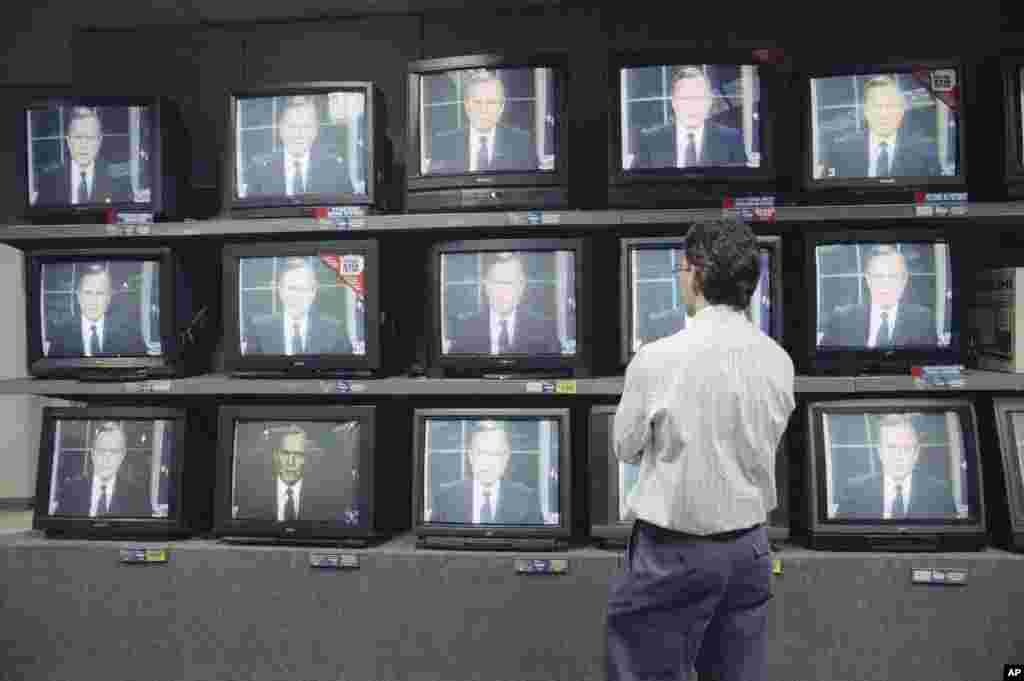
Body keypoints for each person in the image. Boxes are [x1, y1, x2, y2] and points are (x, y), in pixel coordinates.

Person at [607, 218, 795, 681]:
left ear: (693, 273)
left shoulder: (657, 359)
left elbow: (625, 447)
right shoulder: (778, 361)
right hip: (750, 552)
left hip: (674, 554)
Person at [835, 414, 957, 518]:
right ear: (880, 452)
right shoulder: (854, 492)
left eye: (907, 448)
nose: (899, 456)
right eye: (892, 447)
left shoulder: (941, 493)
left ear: (916, 453)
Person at [234, 424, 359, 522]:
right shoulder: (252, 494)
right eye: (286, 453)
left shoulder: (326, 496)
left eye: (298, 455)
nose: (291, 462)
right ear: (276, 456)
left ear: (306, 458)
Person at [819, 245, 938, 348]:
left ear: (904, 280)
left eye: (893, 276)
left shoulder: (923, 320)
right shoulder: (841, 320)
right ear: (868, 280)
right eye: (878, 276)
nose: (885, 284)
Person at [823, 75, 942, 179]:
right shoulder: (840, 151)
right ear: (866, 111)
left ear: (901, 112)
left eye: (890, 106)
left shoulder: (925, 153)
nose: (883, 113)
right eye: (876, 106)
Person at [632, 66, 748, 170]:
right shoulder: (649, 141)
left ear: (709, 102)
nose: (692, 106)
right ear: (674, 102)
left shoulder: (731, 139)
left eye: (698, 98)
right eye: (684, 98)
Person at [430, 421, 544, 525]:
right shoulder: (445, 497)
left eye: (496, 454)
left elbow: (537, 542)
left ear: (506, 458)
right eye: (482, 453)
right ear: (470, 456)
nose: (489, 462)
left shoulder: (527, 499)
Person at [447, 254, 562, 355]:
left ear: (521, 287)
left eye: (510, 283)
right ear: (486, 286)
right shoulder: (464, 329)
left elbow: (558, 375)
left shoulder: (544, 329)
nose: (502, 291)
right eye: (496, 282)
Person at [427, 70, 538, 174]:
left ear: (501, 107)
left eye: (491, 102)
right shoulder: (443, 143)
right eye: (477, 102)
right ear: (467, 105)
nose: (483, 110)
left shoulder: (522, 143)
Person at [244, 96, 354, 197]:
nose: (299, 134)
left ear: (315, 130)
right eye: (292, 126)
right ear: (281, 129)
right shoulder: (258, 171)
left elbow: (350, 215)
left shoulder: (336, 169)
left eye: (306, 126)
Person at [244, 257, 353, 355]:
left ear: (313, 292)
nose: (298, 295)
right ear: (280, 290)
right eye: (292, 288)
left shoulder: (336, 330)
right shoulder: (258, 329)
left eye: (303, 288)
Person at [34, 107, 133, 206]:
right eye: (78, 137)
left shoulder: (120, 183)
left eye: (90, 137)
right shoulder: (49, 182)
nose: (83, 145)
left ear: (99, 142)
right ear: (68, 141)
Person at [46, 264, 149, 357]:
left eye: (100, 293)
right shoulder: (60, 335)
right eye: (88, 293)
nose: (93, 300)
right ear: (78, 296)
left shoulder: (130, 333)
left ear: (108, 298)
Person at [55, 422, 151, 517]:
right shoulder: (69, 492)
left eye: (114, 452)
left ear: (122, 457)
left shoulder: (139, 499)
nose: (107, 459)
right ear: (93, 454)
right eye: (101, 450)